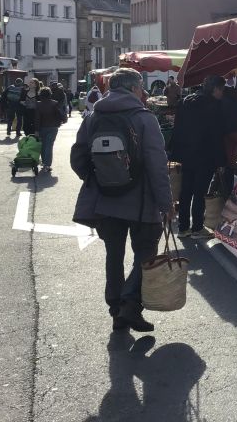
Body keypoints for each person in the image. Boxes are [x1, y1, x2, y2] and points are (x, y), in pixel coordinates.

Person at [71, 68, 172, 333]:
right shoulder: (143, 118)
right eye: (142, 87)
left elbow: (77, 157)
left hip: (104, 200)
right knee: (146, 253)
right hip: (141, 200)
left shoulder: (93, 116)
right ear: (135, 88)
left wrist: (99, 178)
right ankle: (130, 304)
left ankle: (116, 308)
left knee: (113, 254)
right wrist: (166, 203)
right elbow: (157, 164)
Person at [170, 74, 227, 238]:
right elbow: (216, 135)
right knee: (200, 191)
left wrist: (176, 152)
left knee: (186, 190)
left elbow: (177, 128)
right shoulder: (213, 106)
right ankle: (197, 228)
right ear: (216, 89)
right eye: (222, 90)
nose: (222, 93)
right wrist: (220, 160)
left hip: (186, 153)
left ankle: (182, 228)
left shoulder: (186, 101)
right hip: (205, 154)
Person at [35, 86, 67, 173]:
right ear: (50, 94)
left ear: (40, 95)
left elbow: (37, 118)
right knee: (49, 145)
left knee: (43, 145)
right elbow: (60, 114)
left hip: (42, 127)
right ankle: (47, 165)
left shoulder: (38, 104)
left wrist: (36, 130)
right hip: (53, 127)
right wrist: (62, 120)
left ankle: (44, 162)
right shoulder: (55, 103)